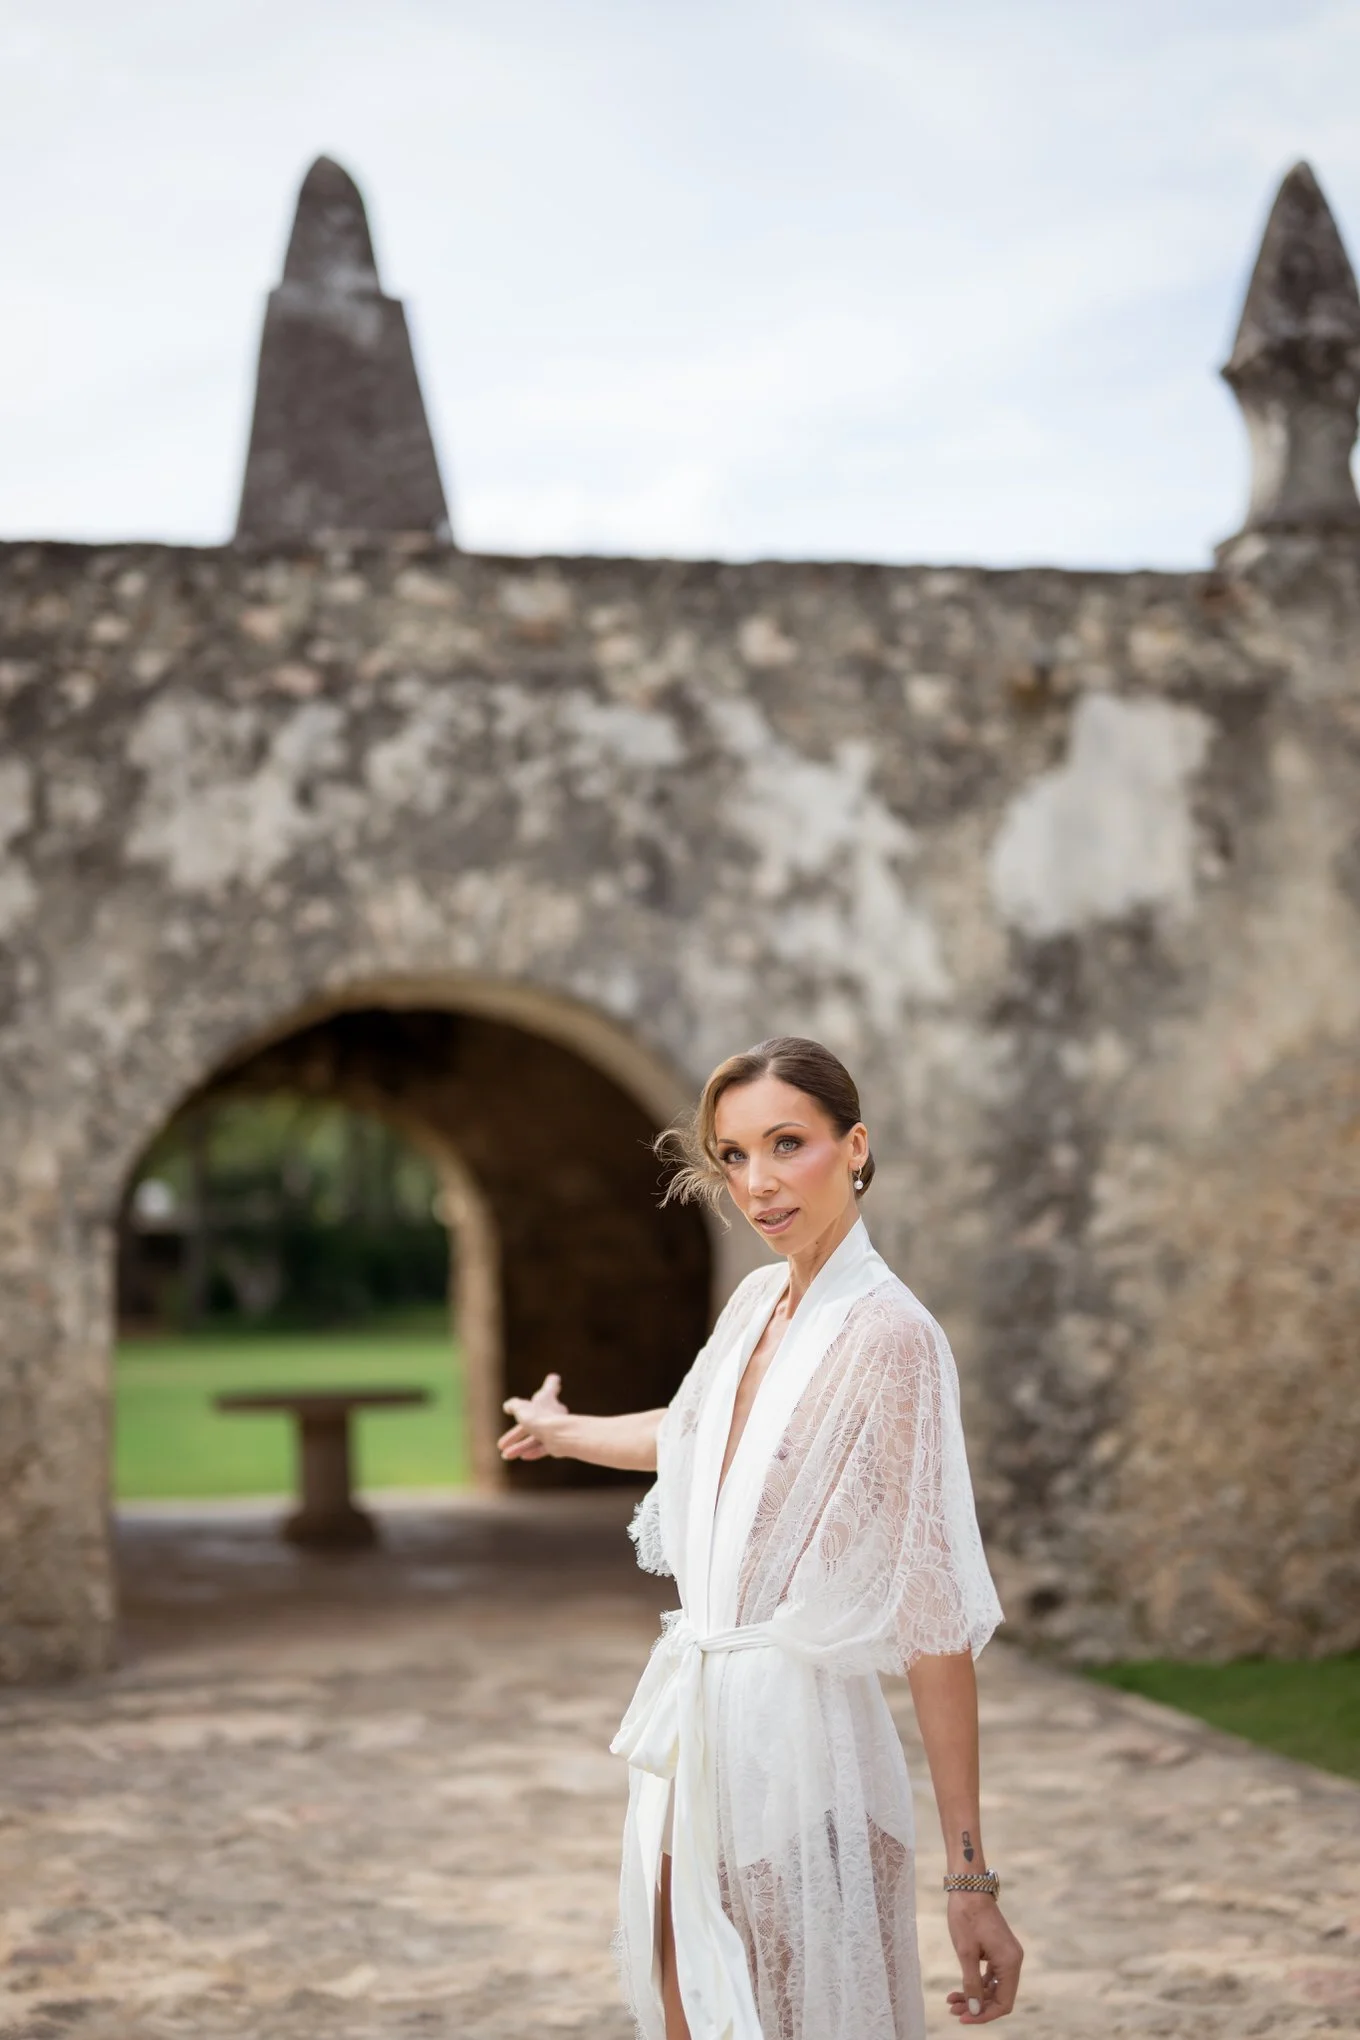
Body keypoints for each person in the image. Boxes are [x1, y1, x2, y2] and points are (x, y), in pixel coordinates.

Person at [498, 1036, 1022, 2040]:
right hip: (696, 1730)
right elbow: (701, 1434)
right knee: (684, 2003)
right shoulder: (753, 1305)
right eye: (733, 1156)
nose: (758, 1182)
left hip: (803, 1750)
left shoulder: (891, 1336)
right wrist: (566, 1433)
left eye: (788, 1144)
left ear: (855, 1145)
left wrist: (968, 1877)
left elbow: (932, 1613)